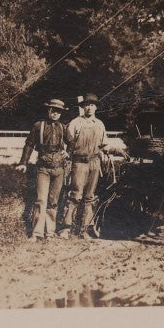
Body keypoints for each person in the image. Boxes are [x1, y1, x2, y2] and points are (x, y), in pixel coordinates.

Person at [16, 98, 69, 240]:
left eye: (59, 111)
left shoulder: (63, 128)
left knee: (53, 201)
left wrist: (67, 151)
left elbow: (72, 143)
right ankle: (36, 233)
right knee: (41, 200)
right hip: (43, 168)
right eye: (53, 110)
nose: (55, 113)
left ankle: (50, 233)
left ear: (61, 113)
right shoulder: (39, 126)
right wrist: (23, 162)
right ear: (48, 110)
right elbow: (29, 144)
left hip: (59, 169)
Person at [64, 92, 107, 238]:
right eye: (87, 105)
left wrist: (117, 150)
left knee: (89, 196)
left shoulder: (100, 124)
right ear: (83, 107)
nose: (89, 108)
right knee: (75, 195)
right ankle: (66, 228)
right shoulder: (75, 122)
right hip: (79, 163)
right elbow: (69, 143)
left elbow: (103, 145)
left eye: (92, 105)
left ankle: (84, 230)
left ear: (96, 108)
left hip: (94, 163)